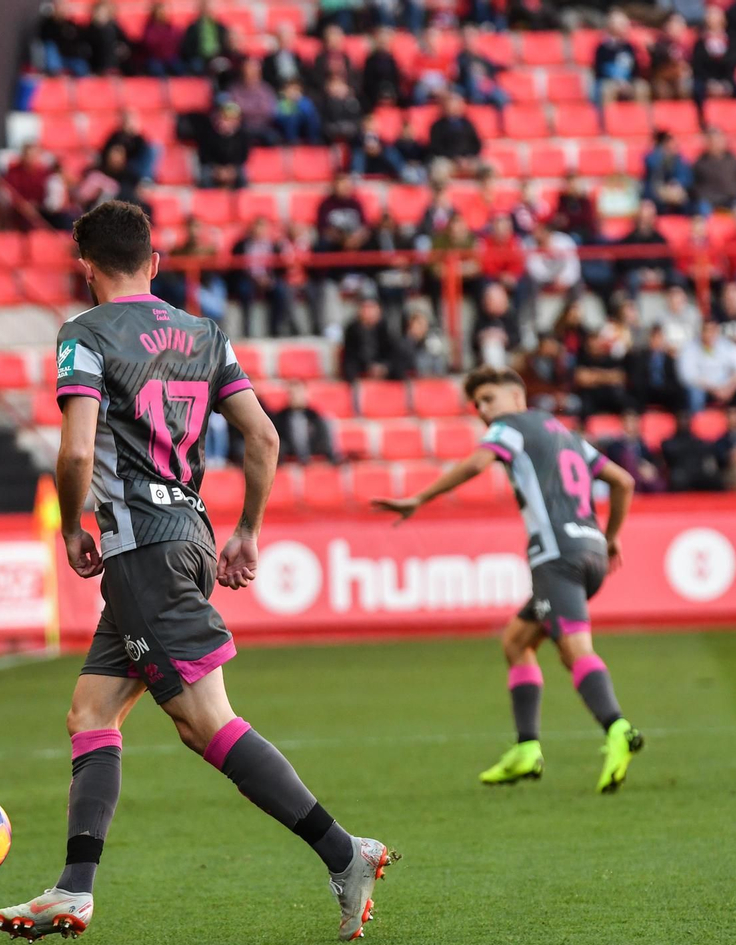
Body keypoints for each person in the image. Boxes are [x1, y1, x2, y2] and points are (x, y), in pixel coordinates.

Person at [0, 200, 392, 945]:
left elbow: (77, 452)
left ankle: (346, 852)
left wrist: (75, 522)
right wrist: (246, 531)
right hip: (188, 538)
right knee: (91, 712)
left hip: (141, 550)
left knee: (204, 720)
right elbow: (264, 436)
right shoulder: (206, 334)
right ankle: (74, 890)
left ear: (86, 267)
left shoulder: (84, 333)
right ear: (156, 261)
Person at [373, 366, 642, 792]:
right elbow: (623, 482)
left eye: (489, 398)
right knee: (517, 641)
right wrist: (610, 539)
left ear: (517, 396)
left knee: (575, 651)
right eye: (477, 404)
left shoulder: (511, 427)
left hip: (556, 558)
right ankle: (526, 749)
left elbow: (478, 462)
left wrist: (420, 498)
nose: (483, 410)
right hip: (589, 552)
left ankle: (618, 728)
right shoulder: (564, 434)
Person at [679, 320, 736, 413]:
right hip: (705, 390)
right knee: (694, 394)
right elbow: (688, 377)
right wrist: (715, 390)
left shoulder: (726, 346)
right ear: (701, 332)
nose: (710, 334)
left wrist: (729, 388)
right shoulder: (690, 348)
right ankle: (697, 424)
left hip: (726, 389)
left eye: (713, 330)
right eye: (707, 330)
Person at [691, 6, 736, 106]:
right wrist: (710, 84)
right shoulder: (700, 42)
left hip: (727, 80)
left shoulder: (732, 40)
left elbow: (734, 62)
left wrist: (725, 84)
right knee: (696, 90)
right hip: (706, 81)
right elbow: (697, 66)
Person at [270, 381, 337, 464]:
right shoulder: (281, 416)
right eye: (293, 394)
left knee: (328, 420)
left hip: (312, 445)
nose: (296, 397)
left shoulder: (314, 414)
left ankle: (332, 456)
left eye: (299, 393)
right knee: (297, 422)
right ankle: (303, 458)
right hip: (290, 448)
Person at [339, 295, 400, 382]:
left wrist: (384, 367)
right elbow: (351, 355)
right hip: (360, 367)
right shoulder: (352, 328)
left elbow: (391, 352)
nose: (368, 311)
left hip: (381, 366)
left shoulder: (385, 328)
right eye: (365, 308)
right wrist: (369, 367)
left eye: (371, 308)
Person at [591, 11, 646, 107]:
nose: (625, 26)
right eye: (621, 23)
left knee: (641, 87)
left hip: (627, 82)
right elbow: (599, 70)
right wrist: (617, 82)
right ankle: (609, 120)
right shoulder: (602, 47)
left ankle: (640, 120)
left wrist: (628, 82)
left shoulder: (629, 47)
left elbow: (634, 69)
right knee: (607, 90)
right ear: (611, 25)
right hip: (608, 82)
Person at [692, 129, 736, 214]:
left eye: (718, 140)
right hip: (711, 200)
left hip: (734, 198)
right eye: (713, 141)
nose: (716, 144)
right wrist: (712, 197)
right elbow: (696, 187)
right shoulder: (700, 163)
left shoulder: (732, 159)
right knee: (700, 209)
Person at [197, 102, 251, 189]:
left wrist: (231, 169)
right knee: (205, 176)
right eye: (225, 118)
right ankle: (209, 199)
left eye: (232, 119)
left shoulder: (243, 135)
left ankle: (240, 199)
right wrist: (218, 170)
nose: (228, 122)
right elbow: (204, 156)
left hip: (233, 167)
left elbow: (243, 156)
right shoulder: (208, 134)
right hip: (213, 167)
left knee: (243, 175)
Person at [134, 1, 182, 75]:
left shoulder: (172, 29)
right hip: (155, 59)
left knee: (180, 68)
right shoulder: (149, 29)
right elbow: (149, 45)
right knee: (157, 69)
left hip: (171, 58)